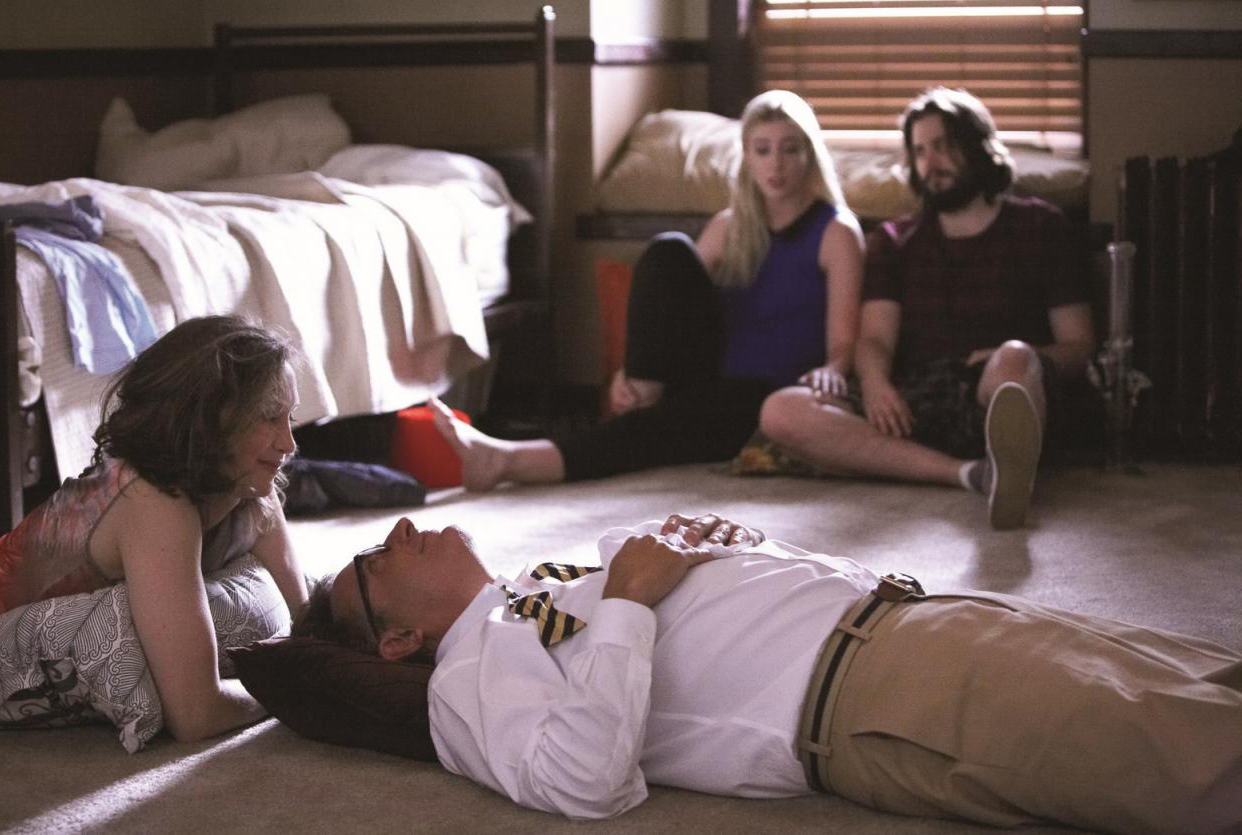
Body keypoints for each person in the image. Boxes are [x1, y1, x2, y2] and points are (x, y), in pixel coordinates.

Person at [294, 513, 1241, 834]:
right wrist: (629, 596)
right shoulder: (467, 678)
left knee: (1204, 681)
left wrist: (727, 544)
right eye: (378, 556)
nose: (404, 527)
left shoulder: (538, 584)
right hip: (876, 693)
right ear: (397, 641)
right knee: (1189, 755)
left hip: (912, 612)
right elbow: (581, 779)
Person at [428, 89, 864, 489]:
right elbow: (675, 307)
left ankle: (509, 460)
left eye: (790, 149)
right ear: (747, 156)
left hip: (771, 394)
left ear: (810, 154)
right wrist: (632, 369)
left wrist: (834, 369)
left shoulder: (837, 232)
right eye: (763, 149)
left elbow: (843, 342)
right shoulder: (728, 227)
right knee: (668, 251)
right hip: (710, 377)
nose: (776, 164)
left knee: (654, 430)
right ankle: (640, 387)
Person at [758, 87, 1096, 530]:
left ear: (977, 147)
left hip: (997, 390)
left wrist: (1015, 359)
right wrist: (876, 385)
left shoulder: (1041, 226)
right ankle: (967, 473)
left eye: (942, 146)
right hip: (918, 398)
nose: (930, 162)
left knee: (1014, 358)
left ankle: (1010, 459)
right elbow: (875, 338)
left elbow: (1079, 346)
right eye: (919, 151)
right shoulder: (895, 241)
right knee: (782, 409)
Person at [0, 314, 308, 742]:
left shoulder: (247, 485)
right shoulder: (154, 502)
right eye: (269, 418)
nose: (289, 443)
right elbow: (197, 714)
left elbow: (306, 620)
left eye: (289, 417)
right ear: (206, 418)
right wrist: (289, 687)